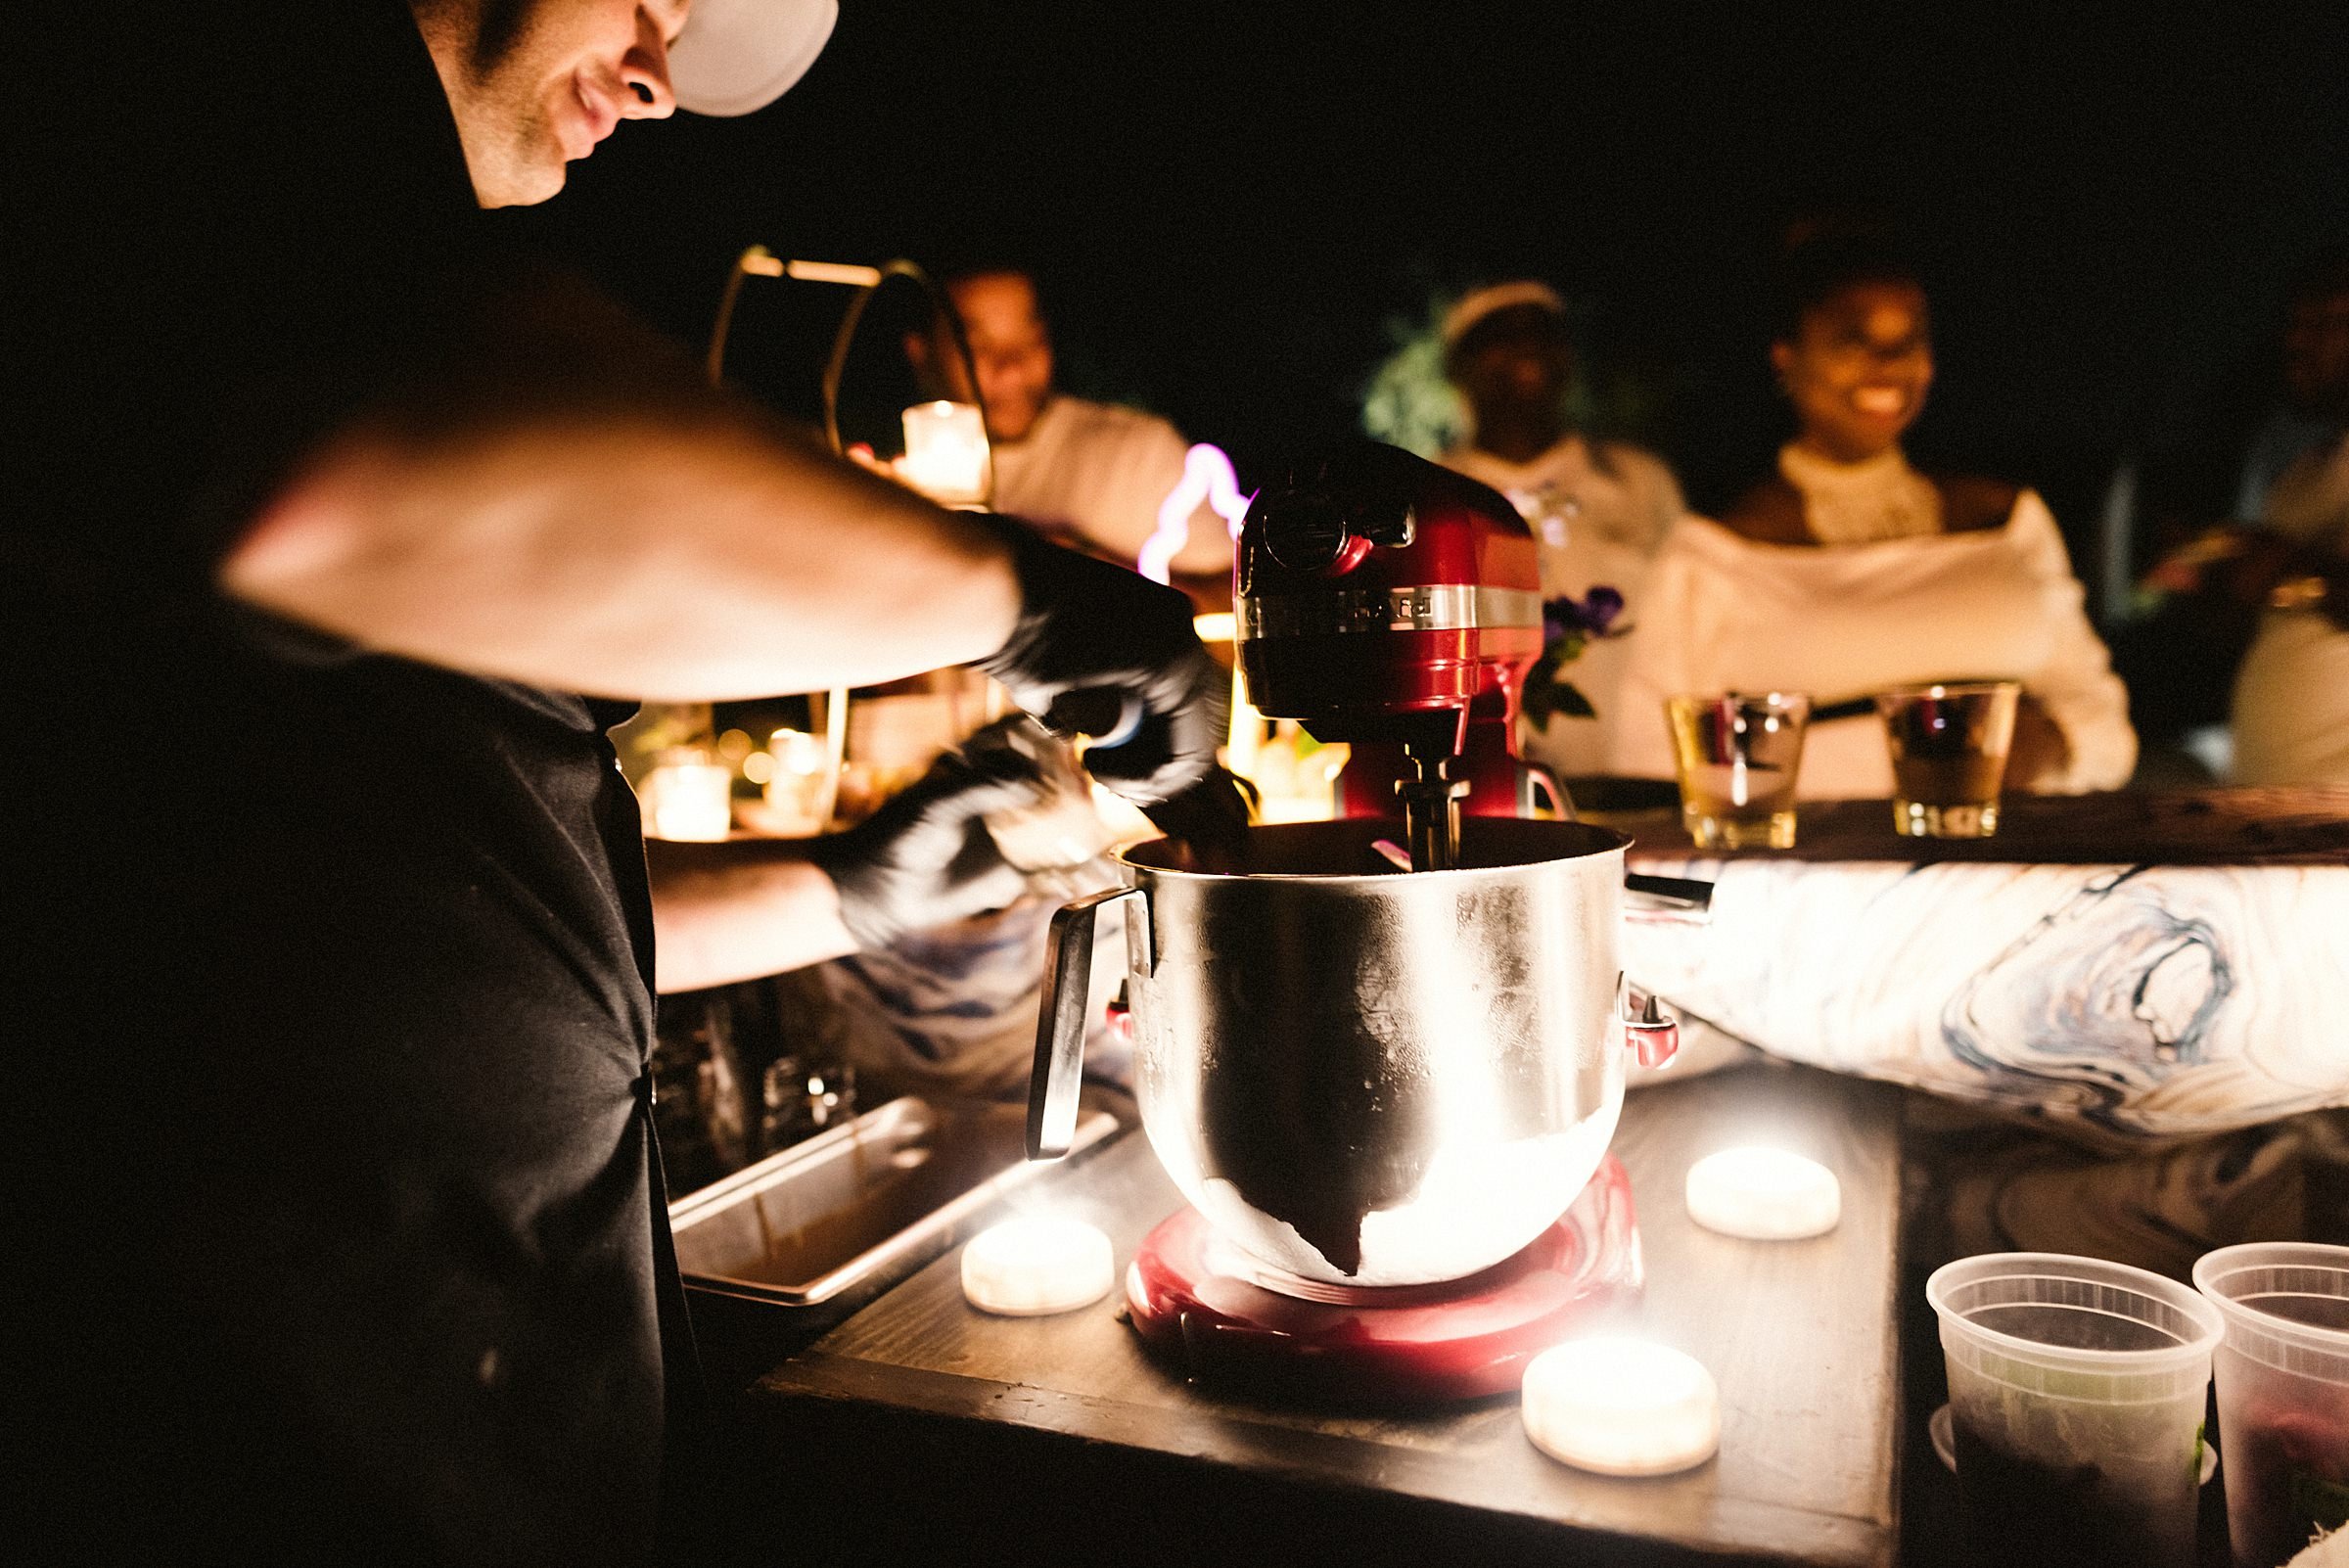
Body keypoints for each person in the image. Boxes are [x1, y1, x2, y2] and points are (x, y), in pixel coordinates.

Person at [16, 2, 1223, 1560]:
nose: (659, 78)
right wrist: (1016, 599)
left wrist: (843, 887)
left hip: (477, 1380)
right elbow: (337, 486)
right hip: (253, 1408)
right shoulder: (196, 134)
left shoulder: (371, 252)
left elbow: (448, 863)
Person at [1608, 234, 2137, 797]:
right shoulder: (1711, 554)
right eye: (1851, 341)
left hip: (2023, 861)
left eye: (1907, 342)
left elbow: (2107, 735)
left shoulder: (2008, 521)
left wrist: (2049, 745)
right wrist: (1928, 755)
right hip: (1819, 870)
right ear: (1787, 359)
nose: (1886, 366)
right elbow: (1647, 765)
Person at [1431, 281, 1685, 778]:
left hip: (1640, 782)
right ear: (1459, 366)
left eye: (1543, 334)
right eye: (1499, 336)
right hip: (1475, 792)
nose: (1527, 348)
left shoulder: (1641, 483)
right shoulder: (1432, 498)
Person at [919, 266, 1235, 586]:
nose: (1013, 369)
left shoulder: (1138, 454)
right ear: (920, 351)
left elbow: (1238, 597)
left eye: (1030, 339)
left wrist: (1079, 570)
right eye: (979, 347)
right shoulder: (896, 477)